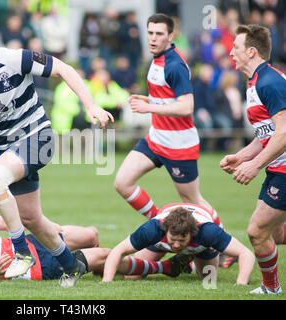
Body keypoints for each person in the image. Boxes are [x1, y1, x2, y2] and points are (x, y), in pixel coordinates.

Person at [0, 24, 113, 286]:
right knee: (31, 218)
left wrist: (90, 104)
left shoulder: (14, 58)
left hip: (38, 138)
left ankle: (21, 252)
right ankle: (70, 265)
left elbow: (62, 68)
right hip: (11, 151)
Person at [114, 13, 214, 221]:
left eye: (159, 34)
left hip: (179, 145)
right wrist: (148, 100)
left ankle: (222, 243)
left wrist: (149, 108)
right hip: (156, 139)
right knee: (122, 182)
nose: (153, 38)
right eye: (150, 32)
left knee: (193, 200)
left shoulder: (174, 65)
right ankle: (160, 223)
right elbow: (168, 98)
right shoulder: (156, 58)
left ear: (170, 36)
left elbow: (187, 107)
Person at [0, 210, 191, 282]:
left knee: (90, 233)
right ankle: (165, 267)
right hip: (35, 267)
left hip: (32, 243)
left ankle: (95, 264)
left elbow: (10, 218)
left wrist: (45, 225)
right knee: (106, 256)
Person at [220, 24, 286, 295]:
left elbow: (284, 132)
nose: (231, 52)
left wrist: (254, 165)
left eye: (235, 47)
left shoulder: (269, 81)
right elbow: (266, 135)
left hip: (283, 170)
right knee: (274, 233)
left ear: (251, 51)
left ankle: (271, 288)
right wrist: (242, 156)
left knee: (258, 231)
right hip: (276, 168)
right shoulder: (255, 82)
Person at [102, 203, 255, 284]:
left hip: (201, 244)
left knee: (208, 279)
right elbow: (118, 250)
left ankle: (192, 262)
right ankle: (182, 261)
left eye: (181, 240)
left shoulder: (207, 232)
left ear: (192, 234)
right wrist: (106, 281)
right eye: (172, 239)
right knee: (132, 277)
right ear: (165, 230)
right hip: (162, 240)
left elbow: (246, 253)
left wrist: (241, 284)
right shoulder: (153, 230)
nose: (175, 246)